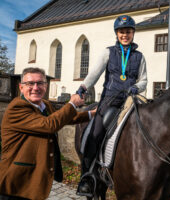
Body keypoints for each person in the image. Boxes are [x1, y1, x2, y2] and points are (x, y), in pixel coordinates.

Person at [76, 15, 147, 196]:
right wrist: (84, 87)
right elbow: (95, 73)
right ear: (117, 33)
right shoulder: (108, 52)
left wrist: (135, 87)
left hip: (130, 100)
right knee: (96, 133)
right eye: (122, 32)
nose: (125, 35)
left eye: (128, 32)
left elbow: (144, 81)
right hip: (109, 101)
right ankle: (87, 177)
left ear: (133, 33)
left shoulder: (139, 56)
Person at [0, 67, 95, 200]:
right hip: (17, 182)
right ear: (21, 87)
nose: (36, 87)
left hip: (36, 179)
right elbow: (49, 125)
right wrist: (72, 104)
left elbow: (66, 117)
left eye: (40, 83)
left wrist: (92, 113)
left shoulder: (44, 104)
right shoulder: (17, 108)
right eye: (30, 83)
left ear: (46, 86)